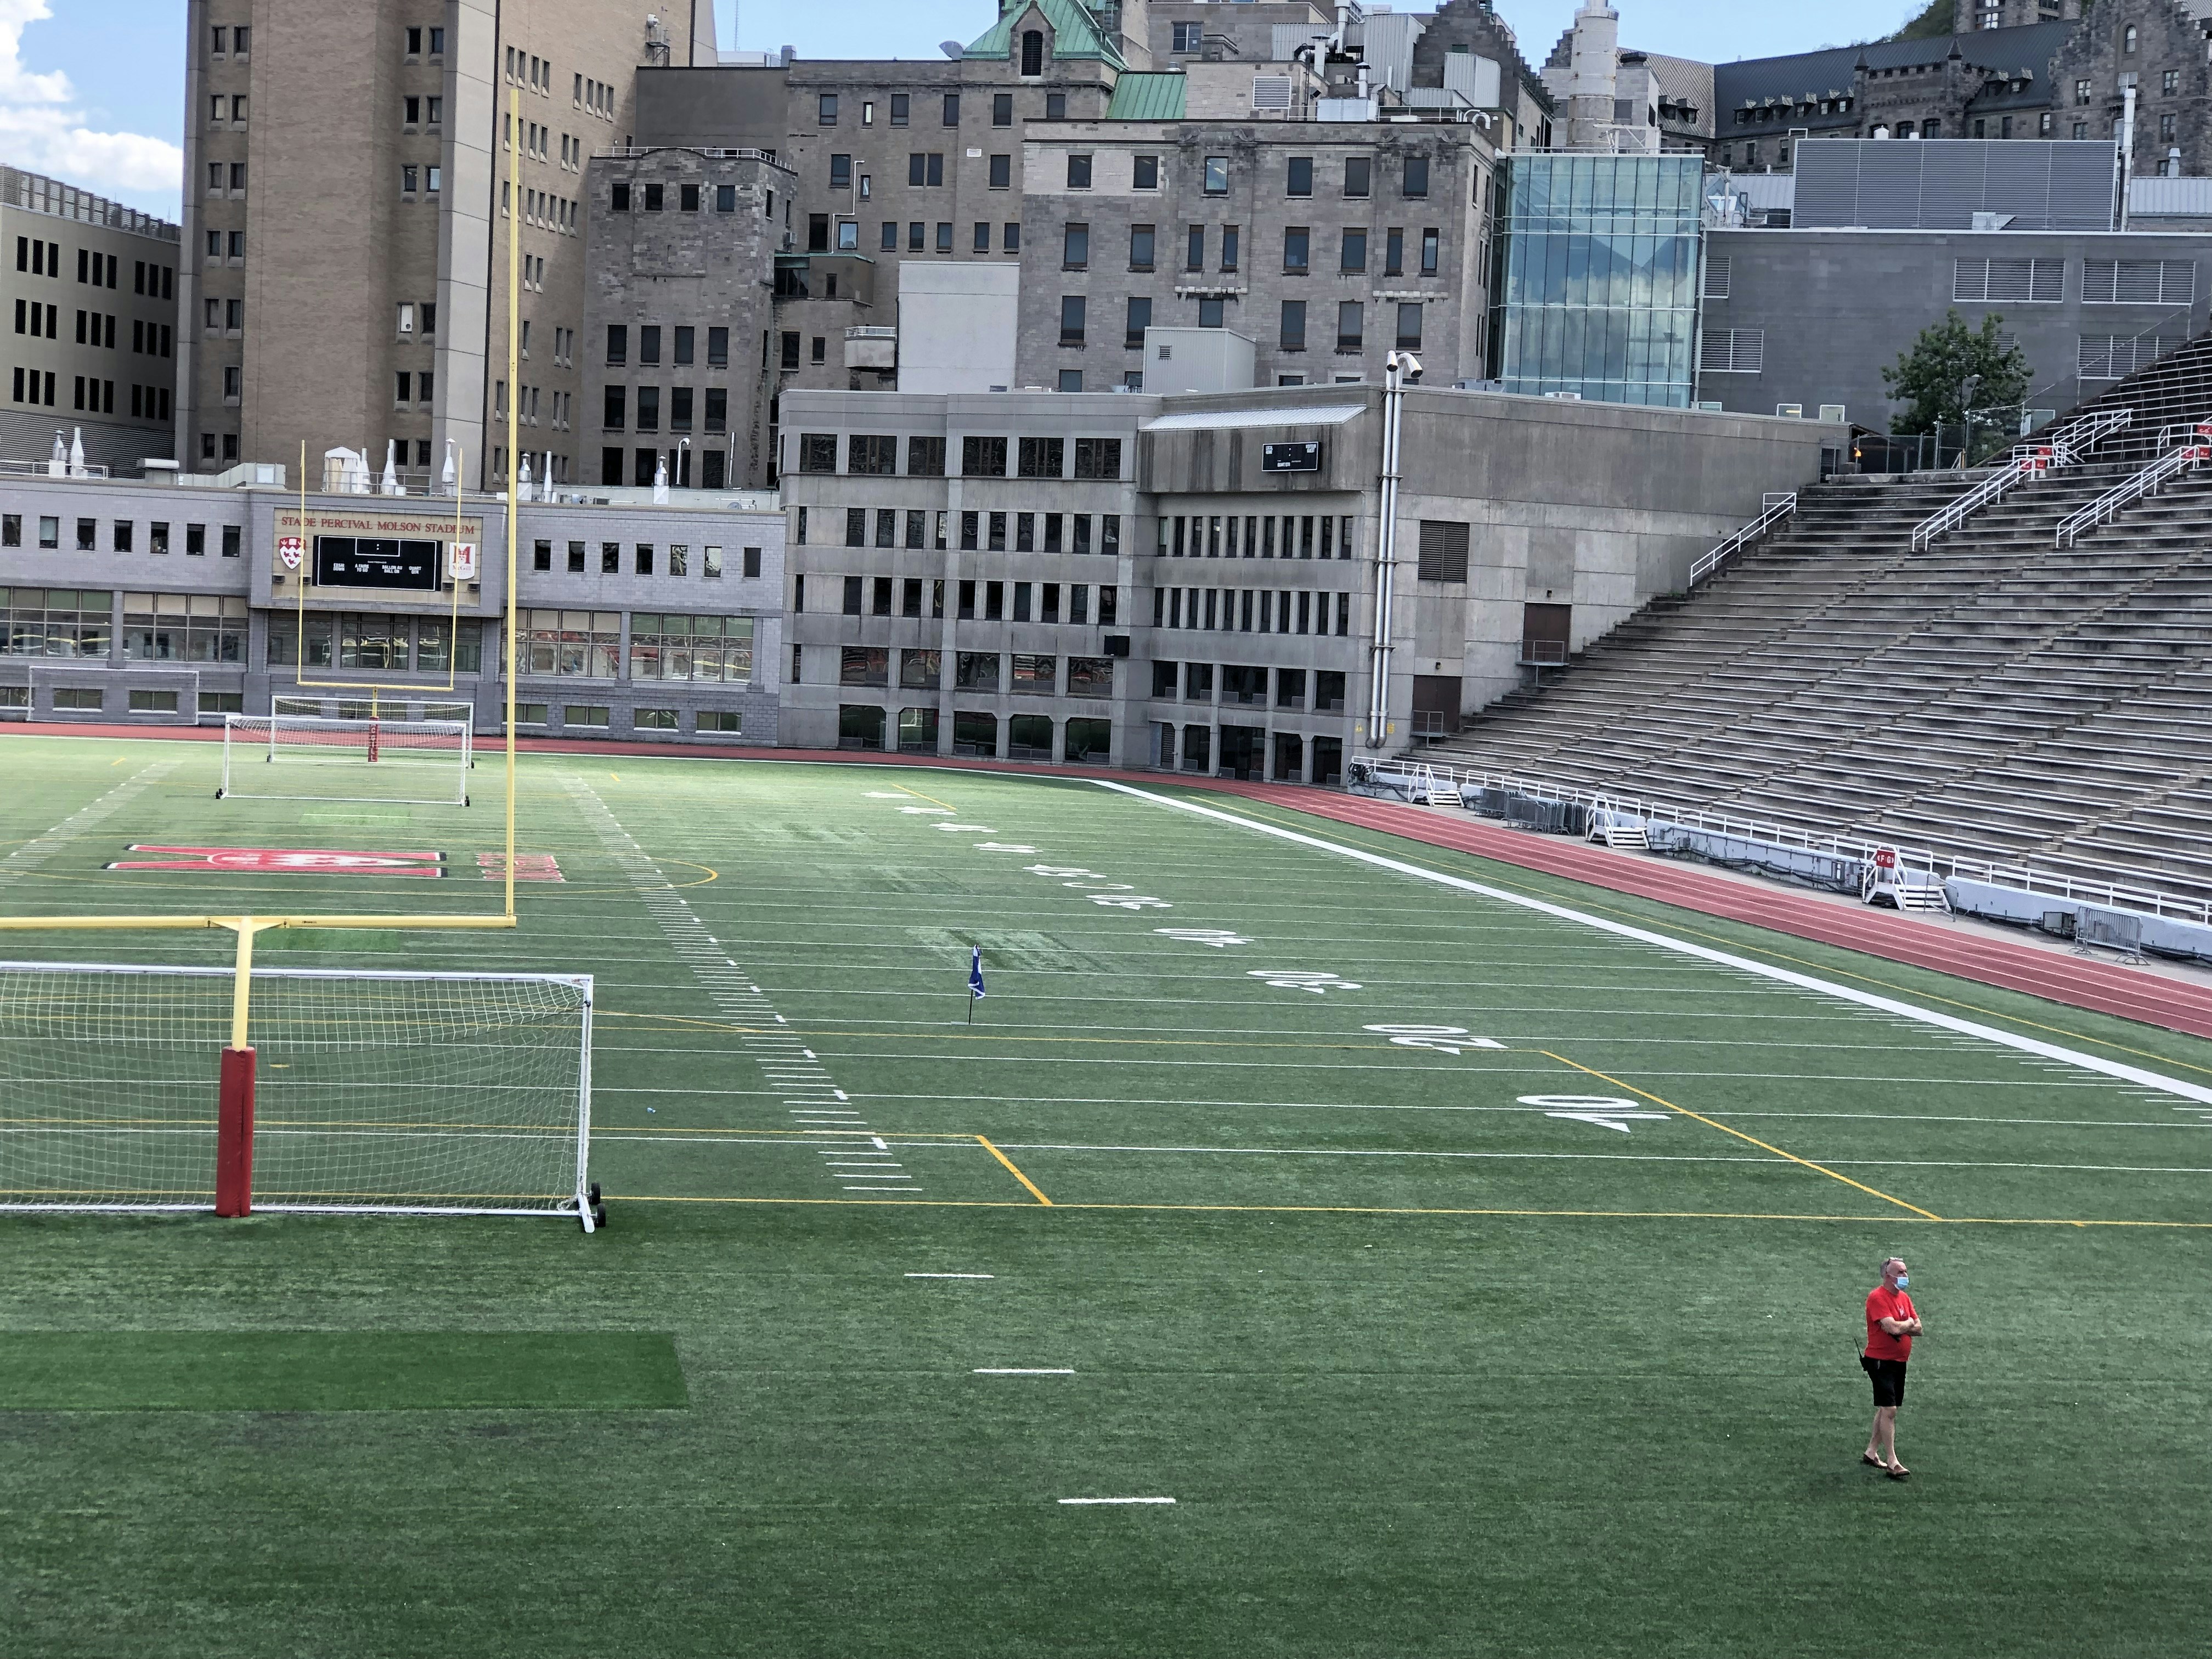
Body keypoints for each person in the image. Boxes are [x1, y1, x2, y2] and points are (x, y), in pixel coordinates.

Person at [1860, 1256, 1922, 1479]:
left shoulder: (1904, 1298)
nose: (1906, 1276)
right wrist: (1907, 1324)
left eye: (1906, 1271)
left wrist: (1904, 1326)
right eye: (1901, 1272)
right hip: (1880, 1362)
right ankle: (1893, 1462)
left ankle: (1871, 1452)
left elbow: (1919, 1328)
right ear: (1888, 1276)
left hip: (1899, 1362)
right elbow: (1892, 1328)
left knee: (1887, 1408)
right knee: (1890, 1410)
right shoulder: (1877, 1298)